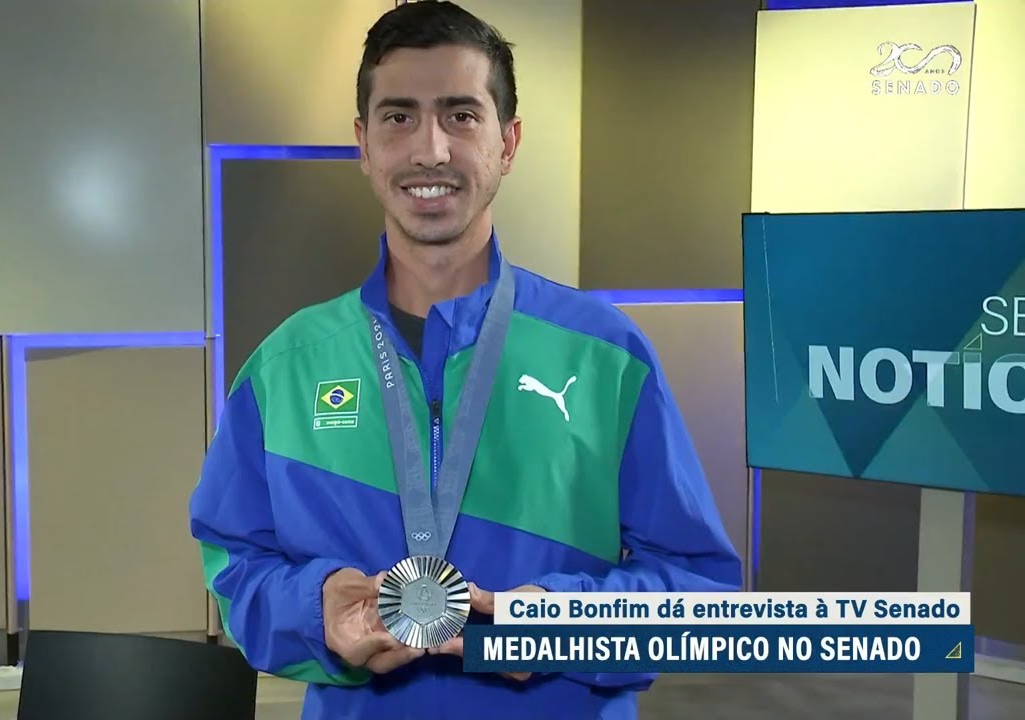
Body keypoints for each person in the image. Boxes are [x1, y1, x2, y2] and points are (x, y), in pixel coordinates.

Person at [188, 2, 742, 718]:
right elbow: (234, 566)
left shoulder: (608, 355)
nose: (431, 151)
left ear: (507, 143)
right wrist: (315, 608)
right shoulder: (285, 367)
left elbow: (698, 589)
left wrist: (556, 625)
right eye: (398, 117)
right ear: (363, 143)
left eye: (460, 115)